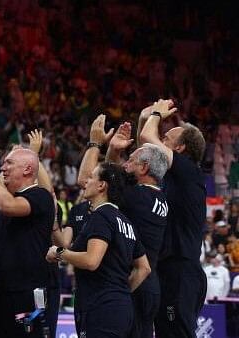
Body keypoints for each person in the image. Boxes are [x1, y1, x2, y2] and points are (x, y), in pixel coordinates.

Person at [83, 115, 169, 338]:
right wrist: (114, 152)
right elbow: (113, 178)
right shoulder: (159, 198)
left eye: (130, 160)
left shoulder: (137, 196)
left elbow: (92, 179)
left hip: (133, 281)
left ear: (144, 167)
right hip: (151, 284)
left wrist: (99, 145)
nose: (126, 163)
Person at [46, 162, 151, 338]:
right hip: (122, 307)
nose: (85, 181)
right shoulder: (126, 222)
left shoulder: (101, 216)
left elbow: (91, 261)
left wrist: (59, 253)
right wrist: (121, 293)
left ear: (102, 185)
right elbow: (144, 268)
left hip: (101, 308)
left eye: (91, 177)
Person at [138, 99, 207, 337]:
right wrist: (143, 119)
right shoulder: (173, 178)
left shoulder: (188, 171)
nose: (162, 139)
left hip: (181, 270)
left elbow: (149, 140)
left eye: (166, 138)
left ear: (180, 150)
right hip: (168, 269)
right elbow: (143, 155)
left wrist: (156, 114)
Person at [0, 147, 55, 338]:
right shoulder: (1, 201)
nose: (3, 168)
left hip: (26, 294)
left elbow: (8, 207)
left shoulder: (41, 197)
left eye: (9, 163)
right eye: (2, 163)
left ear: (28, 169)